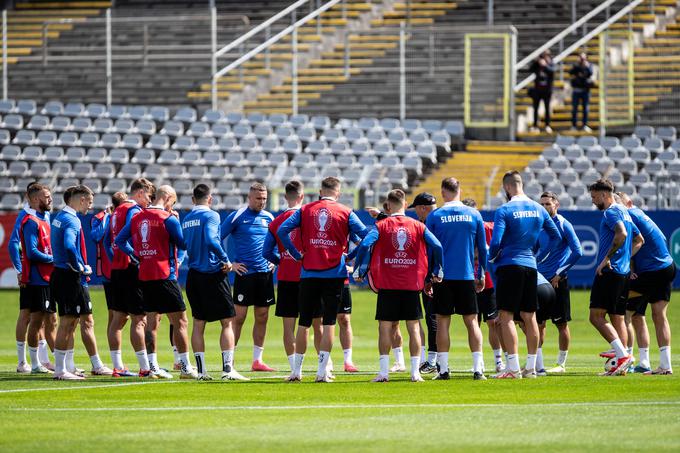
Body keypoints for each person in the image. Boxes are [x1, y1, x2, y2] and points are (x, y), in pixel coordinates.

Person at [278, 176, 368, 382]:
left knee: (304, 324)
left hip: (308, 273)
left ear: (320, 190)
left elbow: (283, 230)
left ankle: (296, 372)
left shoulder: (305, 209)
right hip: (334, 274)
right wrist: (352, 257)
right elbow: (366, 236)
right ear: (338, 192)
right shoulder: (346, 212)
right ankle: (321, 372)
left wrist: (295, 252)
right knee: (329, 324)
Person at [353, 189, 442, 382]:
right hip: (411, 285)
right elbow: (438, 246)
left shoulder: (382, 225)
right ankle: (415, 372)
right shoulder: (418, 225)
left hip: (388, 285)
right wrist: (437, 269)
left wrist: (360, 268)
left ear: (389, 204)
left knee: (384, 328)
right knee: (414, 328)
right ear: (405, 203)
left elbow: (365, 244)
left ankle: (384, 372)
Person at [115, 185, 197, 379]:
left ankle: (152, 367)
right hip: (165, 276)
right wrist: (177, 221)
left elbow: (119, 240)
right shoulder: (168, 219)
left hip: (145, 275)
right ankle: (185, 367)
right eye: (173, 202)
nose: (172, 206)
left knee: (151, 323)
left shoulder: (137, 217)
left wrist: (136, 256)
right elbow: (183, 244)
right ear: (167, 198)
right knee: (181, 321)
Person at [488, 171, 561, 379]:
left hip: (510, 265)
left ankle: (512, 368)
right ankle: (530, 368)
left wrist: (493, 258)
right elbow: (555, 237)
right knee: (531, 317)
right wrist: (538, 255)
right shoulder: (538, 208)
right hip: (531, 266)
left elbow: (495, 243)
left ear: (507, 187)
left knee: (506, 316)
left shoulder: (505, 209)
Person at [182, 184, 248, 381]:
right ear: (209, 199)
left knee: (198, 323)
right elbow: (211, 240)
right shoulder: (212, 216)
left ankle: (201, 372)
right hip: (212, 273)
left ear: (193, 199)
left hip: (194, 275)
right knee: (227, 321)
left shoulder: (186, 219)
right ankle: (228, 370)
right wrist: (226, 260)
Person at [426, 178, 488, 380]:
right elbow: (483, 248)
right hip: (466, 275)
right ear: (460, 190)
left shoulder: (435, 215)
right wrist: (481, 274)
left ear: (443, 192)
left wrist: (429, 276)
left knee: (442, 321)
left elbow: (429, 250)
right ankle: (478, 369)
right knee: (472, 321)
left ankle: (443, 370)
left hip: (442, 277)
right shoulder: (474, 214)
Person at [50, 185, 112, 380]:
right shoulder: (71, 220)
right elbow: (69, 245)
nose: (90, 207)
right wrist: (80, 266)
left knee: (80, 319)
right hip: (69, 276)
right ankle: (61, 370)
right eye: (90, 202)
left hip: (64, 274)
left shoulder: (60, 217)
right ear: (82, 199)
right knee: (68, 321)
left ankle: (73, 366)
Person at [588, 179, 644, 376]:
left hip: (610, 272)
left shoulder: (611, 212)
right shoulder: (625, 213)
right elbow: (639, 240)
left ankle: (622, 355)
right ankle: (623, 364)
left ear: (604, 195)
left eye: (594, 197)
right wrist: (625, 258)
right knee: (617, 318)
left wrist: (607, 259)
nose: (593, 201)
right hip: (623, 273)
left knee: (595, 316)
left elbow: (620, 234)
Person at [220, 182, 276, 372]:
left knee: (262, 316)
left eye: (265, 199)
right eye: (259, 198)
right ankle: (230, 359)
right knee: (239, 317)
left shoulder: (269, 217)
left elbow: (276, 241)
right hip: (245, 274)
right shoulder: (237, 216)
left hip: (264, 275)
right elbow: (216, 237)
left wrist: (274, 261)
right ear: (249, 198)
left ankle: (257, 360)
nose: (262, 202)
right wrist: (230, 264)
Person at [618, 192, 675, 375]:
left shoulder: (629, 216)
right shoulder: (641, 214)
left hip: (653, 271)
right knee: (656, 315)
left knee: (618, 301)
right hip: (666, 267)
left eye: (619, 205)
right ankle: (664, 365)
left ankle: (624, 357)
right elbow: (661, 240)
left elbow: (632, 244)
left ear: (628, 203)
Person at [108, 178, 157, 378]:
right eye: (149, 196)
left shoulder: (116, 211)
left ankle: (118, 366)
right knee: (139, 319)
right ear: (140, 192)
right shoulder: (134, 211)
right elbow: (124, 239)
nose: (150, 201)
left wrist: (116, 258)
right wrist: (136, 256)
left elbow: (107, 239)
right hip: (130, 270)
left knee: (118, 319)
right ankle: (145, 368)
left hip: (117, 270)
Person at [535, 192, 583, 374]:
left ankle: (561, 364)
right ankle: (536, 363)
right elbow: (535, 250)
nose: (545, 207)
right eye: (542, 204)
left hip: (557, 281)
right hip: (540, 281)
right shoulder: (539, 225)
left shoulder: (563, 224)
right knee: (539, 323)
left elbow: (577, 251)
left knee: (561, 323)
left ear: (556, 204)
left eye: (548, 203)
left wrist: (559, 272)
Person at [90, 191, 135, 377]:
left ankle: (117, 362)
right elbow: (97, 236)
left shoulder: (123, 216)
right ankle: (116, 362)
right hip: (111, 273)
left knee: (119, 316)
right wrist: (107, 217)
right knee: (116, 316)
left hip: (118, 270)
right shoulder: (101, 217)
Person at [10, 181, 53, 373]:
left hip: (43, 274)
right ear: (33, 198)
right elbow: (13, 244)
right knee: (28, 315)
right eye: (45, 195)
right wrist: (19, 270)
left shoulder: (46, 215)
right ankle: (23, 362)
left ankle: (41, 360)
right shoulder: (26, 216)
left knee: (42, 317)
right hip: (31, 274)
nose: (50, 199)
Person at [461, 198, 505, 373]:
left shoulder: (490, 227)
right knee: (473, 323)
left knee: (493, 322)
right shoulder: (461, 231)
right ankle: (478, 362)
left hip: (489, 282)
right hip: (467, 281)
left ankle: (498, 360)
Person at [409, 193, 439, 374]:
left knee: (433, 317)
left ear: (422, 208)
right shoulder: (442, 219)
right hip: (451, 274)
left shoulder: (429, 224)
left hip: (433, 277)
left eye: (416, 209)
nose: (416, 214)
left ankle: (434, 361)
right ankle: (438, 361)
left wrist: (432, 276)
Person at [529, 50, 555, 133]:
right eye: (543, 56)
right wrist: (536, 61)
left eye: (547, 55)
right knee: (535, 108)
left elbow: (552, 71)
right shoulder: (538, 64)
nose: (545, 57)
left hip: (547, 90)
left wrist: (545, 65)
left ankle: (547, 125)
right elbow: (530, 69)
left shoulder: (551, 63)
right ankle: (535, 126)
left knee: (547, 108)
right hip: (537, 90)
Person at [569, 52, 594, 132]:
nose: (582, 60)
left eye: (583, 58)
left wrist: (586, 66)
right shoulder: (576, 65)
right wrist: (578, 65)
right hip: (576, 90)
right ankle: (574, 125)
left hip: (585, 91)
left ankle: (584, 125)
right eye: (581, 58)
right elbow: (571, 72)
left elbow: (590, 73)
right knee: (574, 109)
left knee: (585, 109)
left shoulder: (589, 65)